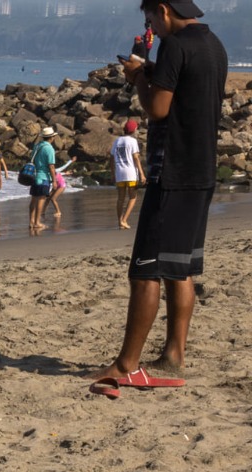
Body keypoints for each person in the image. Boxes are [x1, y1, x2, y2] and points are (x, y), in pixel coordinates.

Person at [90, 0, 227, 394]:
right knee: (179, 269)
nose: (150, 25)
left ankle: (126, 364)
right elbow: (186, 90)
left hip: (173, 171)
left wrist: (138, 78)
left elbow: (158, 108)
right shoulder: (214, 44)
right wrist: (152, 72)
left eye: (150, 17)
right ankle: (173, 355)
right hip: (202, 170)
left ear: (164, 10)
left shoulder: (175, 45)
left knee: (145, 271)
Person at [112, 118, 147, 228]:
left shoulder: (117, 141)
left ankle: (120, 222)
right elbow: (136, 158)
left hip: (119, 173)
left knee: (120, 198)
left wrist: (113, 173)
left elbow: (111, 158)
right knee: (133, 197)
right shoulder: (132, 141)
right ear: (133, 130)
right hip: (130, 173)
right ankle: (124, 220)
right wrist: (142, 173)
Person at [27, 128, 57, 231]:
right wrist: (54, 180)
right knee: (41, 199)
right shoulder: (49, 149)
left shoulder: (37, 146)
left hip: (34, 176)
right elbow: (51, 166)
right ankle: (37, 222)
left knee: (33, 199)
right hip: (43, 177)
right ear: (52, 137)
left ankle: (31, 222)